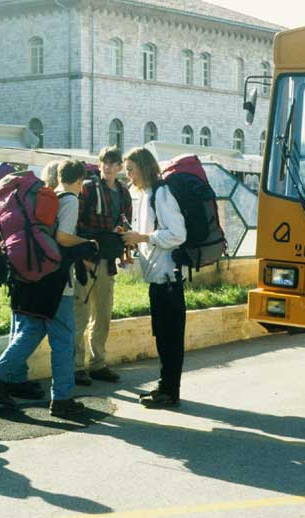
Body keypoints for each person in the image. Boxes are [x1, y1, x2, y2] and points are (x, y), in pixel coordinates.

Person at [0, 160, 96, 417]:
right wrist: (89, 243)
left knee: (33, 329)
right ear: (80, 180)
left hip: (36, 276)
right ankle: (61, 399)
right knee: (63, 340)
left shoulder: (50, 197)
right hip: (57, 280)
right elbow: (63, 238)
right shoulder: (71, 201)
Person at [120, 148, 187, 408]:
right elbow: (150, 236)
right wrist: (133, 237)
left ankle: (170, 392)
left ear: (144, 168)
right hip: (158, 280)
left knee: (170, 339)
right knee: (162, 337)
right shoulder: (147, 195)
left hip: (169, 280)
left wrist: (143, 238)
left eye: (131, 170)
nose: (129, 175)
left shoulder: (162, 194)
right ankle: (165, 386)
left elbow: (178, 234)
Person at [74, 146, 133, 386]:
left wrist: (125, 247)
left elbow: (126, 223)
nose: (108, 167)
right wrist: (82, 253)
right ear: (99, 164)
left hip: (108, 261)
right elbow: (76, 223)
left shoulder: (123, 192)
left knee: (103, 315)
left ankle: (97, 364)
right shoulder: (87, 189)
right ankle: (76, 367)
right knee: (80, 314)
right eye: (104, 162)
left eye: (113, 163)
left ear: (119, 167)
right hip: (87, 259)